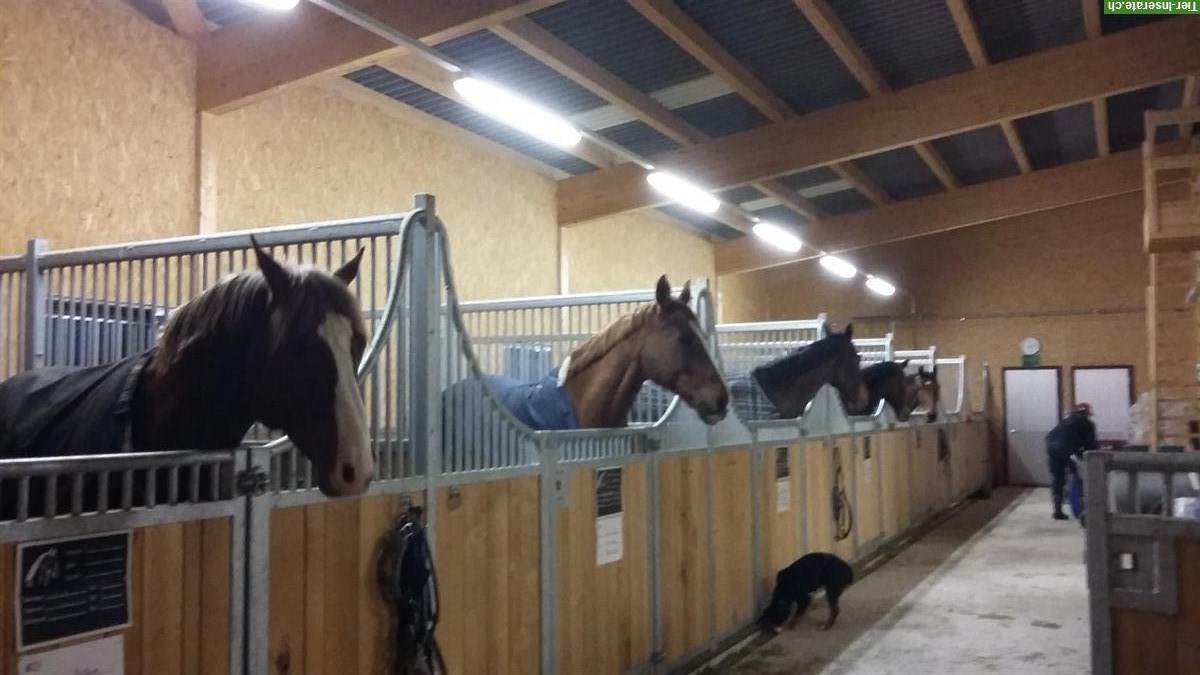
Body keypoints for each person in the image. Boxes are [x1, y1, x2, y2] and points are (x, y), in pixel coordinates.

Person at [1045, 402, 1098, 520]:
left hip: (1052, 448)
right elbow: (1091, 446)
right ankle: (1082, 509)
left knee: (1058, 478)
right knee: (1079, 476)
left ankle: (1057, 510)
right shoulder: (1088, 424)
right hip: (1067, 450)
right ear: (1087, 413)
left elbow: (1051, 436)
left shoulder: (1065, 421)